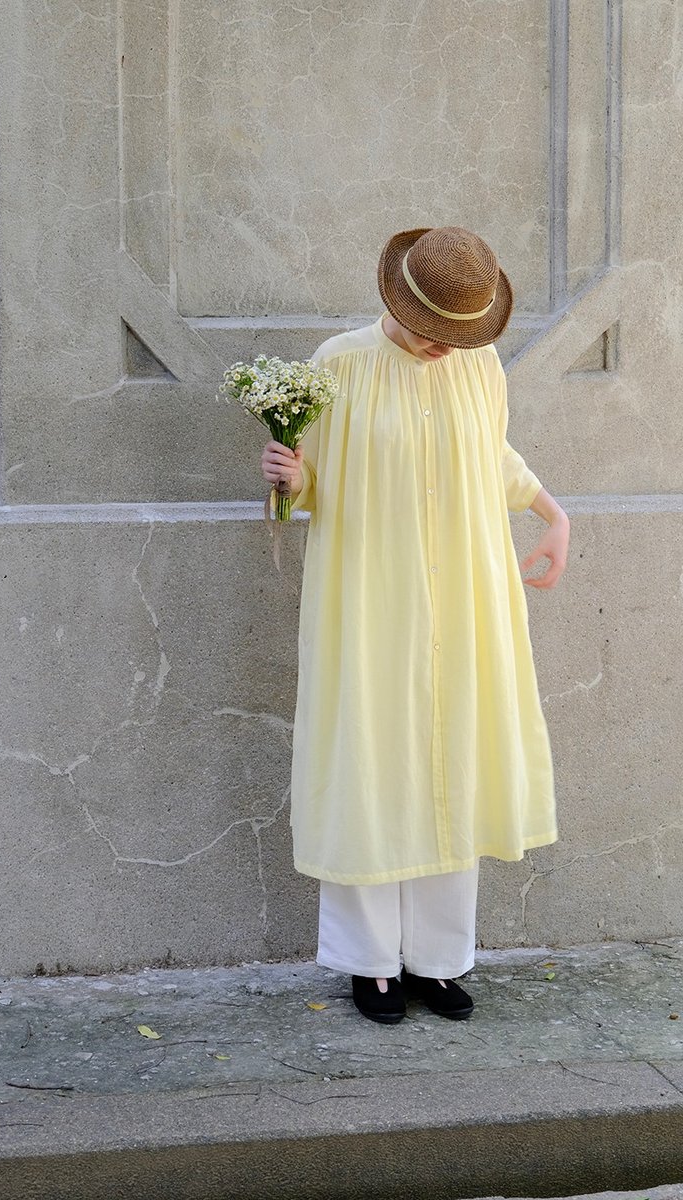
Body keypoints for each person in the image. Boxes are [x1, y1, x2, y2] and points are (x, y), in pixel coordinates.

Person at [260, 226, 569, 1025]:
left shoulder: (480, 364)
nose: (444, 350)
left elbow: (488, 454)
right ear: (398, 302)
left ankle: (437, 960)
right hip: (371, 594)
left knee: (453, 761)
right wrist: (293, 477)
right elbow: (315, 489)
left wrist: (550, 511)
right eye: (434, 333)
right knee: (372, 761)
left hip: (467, 592)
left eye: (458, 336)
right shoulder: (340, 365)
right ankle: (369, 964)